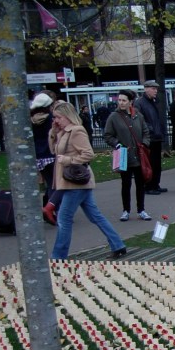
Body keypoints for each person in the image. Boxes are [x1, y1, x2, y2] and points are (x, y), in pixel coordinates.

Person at [47, 101, 127, 261]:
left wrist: (68, 160)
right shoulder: (63, 131)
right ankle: (118, 244)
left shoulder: (76, 131)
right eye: (54, 117)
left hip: (76, 182)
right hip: (71, 181)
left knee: (63, 218)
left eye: (58, 117)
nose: (56, 120)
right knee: (95, 216)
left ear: (67, 116)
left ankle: (58, 256)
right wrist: (53, 133)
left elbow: (89, 154)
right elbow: (53, 150)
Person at [103, 90, 151, 221]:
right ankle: (126, 210)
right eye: (119, 100)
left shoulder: (138, 116)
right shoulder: (114, 117)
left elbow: (146, 132)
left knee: (140, 184)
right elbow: (107, 135)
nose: (121, 103)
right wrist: (117, 144)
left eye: (124, 100)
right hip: (124, 155)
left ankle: (141, 210)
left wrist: (144, 144)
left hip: (139, 155)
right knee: (126, 184)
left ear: (130, 102)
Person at [134, 80, 167, 194]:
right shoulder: (139, 103)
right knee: (150, 163)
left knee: (157, 164)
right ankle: (149, 186)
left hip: (157, 136)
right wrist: (150, 129)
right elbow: (139, 120)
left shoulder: (154, 102)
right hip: (149, 138)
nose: (155, 91)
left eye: (156, 89)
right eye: (153, 88)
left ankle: (156, 184)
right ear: (146, 89)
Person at [30, 92, 58, 206]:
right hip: (51, 153)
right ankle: (52, 208)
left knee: (49, 182)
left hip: (39, 156)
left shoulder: (31, 120)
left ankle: (47, 205)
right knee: (55, 184)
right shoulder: (51, 119)